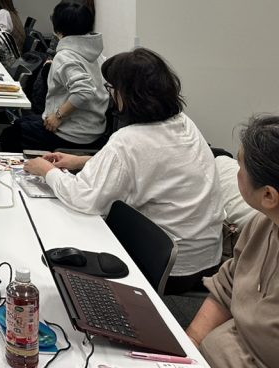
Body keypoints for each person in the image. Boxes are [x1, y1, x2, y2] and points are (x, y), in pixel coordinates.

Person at [23, 48, 222, 291]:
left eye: (111, 88)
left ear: (127, 94)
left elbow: (85, 199)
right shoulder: (183, 122)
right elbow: (147, 164)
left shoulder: (128, 140)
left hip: (165, 265)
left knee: (60, 233)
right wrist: (83, 161)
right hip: (206, 260)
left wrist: (46, 170)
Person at [187, 116, 279, 367]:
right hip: (209, 355)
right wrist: (189, 345)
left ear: (268, 195)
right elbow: (227, 286)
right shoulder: (262, 224)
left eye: (240, 167)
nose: (237, 174)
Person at [0, 1, 108, 152]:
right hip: (94, 129)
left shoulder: (65, 56)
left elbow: (84, 91)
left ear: (58, 29)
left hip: (71, 133)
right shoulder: (97, 55)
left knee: (10, 135)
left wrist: (58, 116)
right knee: (21, 123)